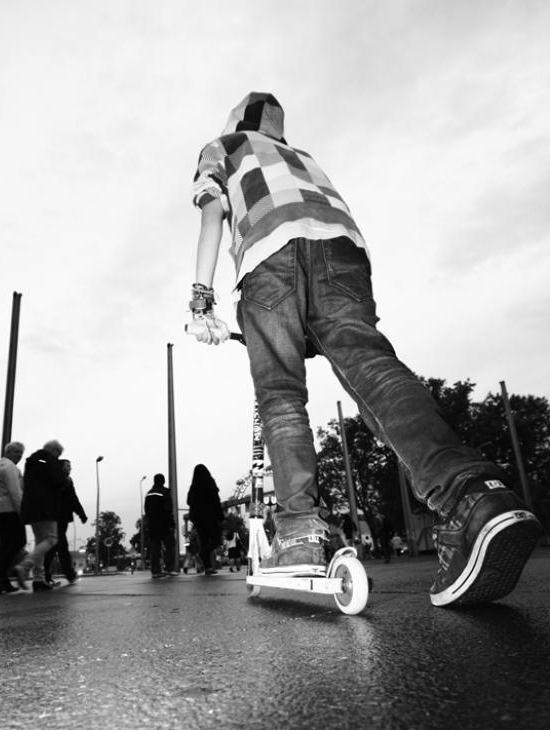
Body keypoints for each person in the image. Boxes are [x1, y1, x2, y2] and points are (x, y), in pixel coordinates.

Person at [188, 91, 541, 607]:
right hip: (341, 249)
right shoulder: (302, 157)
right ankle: (473, 495)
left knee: (281, 398)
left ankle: (300, 535)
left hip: (267, 256)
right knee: (374, 368)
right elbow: (309, 275)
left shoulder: (224, 145)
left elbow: (212, 215)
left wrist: (202, 303)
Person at [15, 440, 67, 592]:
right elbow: (58, 481)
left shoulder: (31, 461)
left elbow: (24, 484)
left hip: (30, 506)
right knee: (51, 539)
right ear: (54, 451)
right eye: (58, 454)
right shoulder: (49, 460)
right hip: (45, 506)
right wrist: (64, 477)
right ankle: (24, 566)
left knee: (40, 542)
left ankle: (38, 579)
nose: (58, 457)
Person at [0, 440, 26, 594]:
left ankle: (2, 580)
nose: (19, 455)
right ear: (8, 452)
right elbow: (15, 492)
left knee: (5, 546)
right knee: (19, 541)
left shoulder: (1, 466)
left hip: (0, 509)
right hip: (10, 509)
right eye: (16, 451)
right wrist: (22, 512)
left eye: (21, 453)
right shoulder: (9, 467)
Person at [43, 459, 88, 585]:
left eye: (70, 466)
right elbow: (70, 498)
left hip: (61, 518)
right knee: (61, 546)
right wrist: (81, 514)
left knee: (53, 547)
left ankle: (46, 575)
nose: (70, 468)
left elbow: (73, 498)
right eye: (67, 465)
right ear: (61, 467)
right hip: (55, 517)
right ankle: (69, 574)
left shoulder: (67, 480)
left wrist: (81, 514)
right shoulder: (57, 480)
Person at [187, 464, 224, 575]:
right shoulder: (210, 482)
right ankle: (204, 553)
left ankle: (208, 567)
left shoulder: (193, 487)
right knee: (215, 540)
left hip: (198, 518)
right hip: (210, 517)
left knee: (204, 540)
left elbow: (188, 501)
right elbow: (216, 500)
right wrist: (220, 516)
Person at [144, 474, 178, 578]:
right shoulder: (165, 492)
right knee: (170, 546)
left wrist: (148, 523)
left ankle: (155, 571)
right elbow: (168, 510)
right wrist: (171, 524)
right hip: (164, 525)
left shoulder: (149, 494)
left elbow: (147, 510)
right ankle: (169, 568)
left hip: (153, 525)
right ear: (163, 481)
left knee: (155, 549)